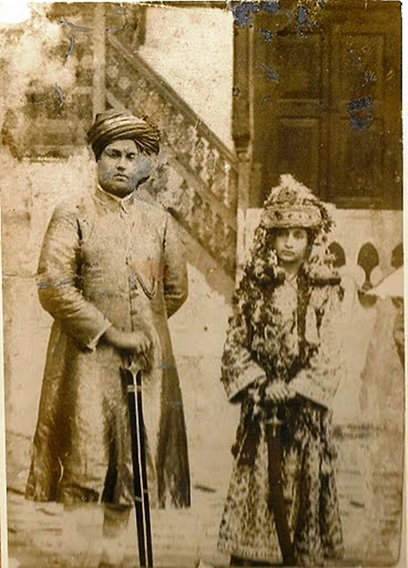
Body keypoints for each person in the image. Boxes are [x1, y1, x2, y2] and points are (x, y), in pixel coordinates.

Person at [25, 109, 190, 564]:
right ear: (95, 160)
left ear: (143, 165)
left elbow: (174, 290)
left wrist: (143, 330)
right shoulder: (72, 214)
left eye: (130, 156)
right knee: (86, 466)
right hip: (85, 364)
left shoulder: (158, 221)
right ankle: (83, 559)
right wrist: (110, 331)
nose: (120, 163)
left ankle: (115, 559)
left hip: (144, 367)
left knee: (131, 472)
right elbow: (53, 286)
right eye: (111, 154)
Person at [218, 175, 345, 566]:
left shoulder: (324, 291)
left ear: (311, 240)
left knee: (298, 501)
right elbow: (235, 345)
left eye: (298, 235)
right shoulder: (255, 288)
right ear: (269, 239)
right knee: (261, 496)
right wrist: (261, 384)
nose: (289, 243)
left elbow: (331, 352)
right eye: (282, 234)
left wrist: (294, 388)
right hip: (262, 417)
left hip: (303, 418)